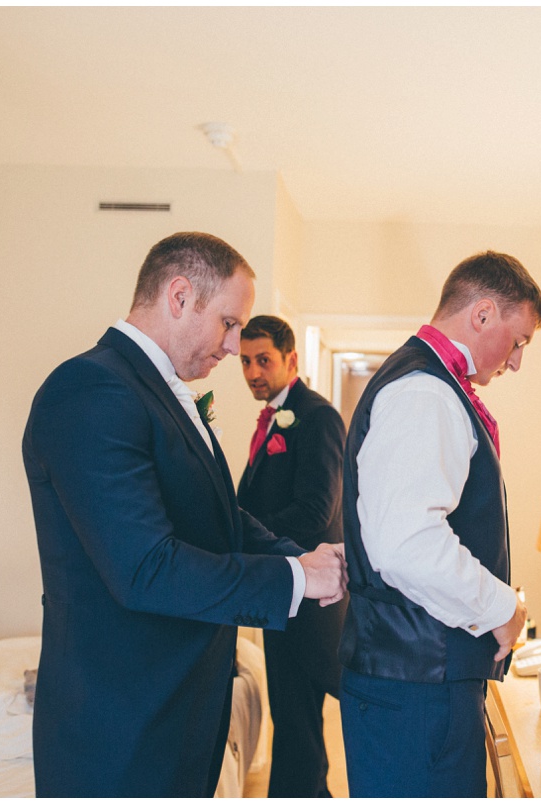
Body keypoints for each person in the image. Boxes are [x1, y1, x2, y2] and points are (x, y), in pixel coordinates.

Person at [21, 232, 346, 797]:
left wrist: (304, 557)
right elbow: (145, 567)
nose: (232, 347)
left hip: (182, 709)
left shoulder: (164, 392)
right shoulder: (90, 388)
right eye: (228, 323)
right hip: (123, 723)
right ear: (178, 296)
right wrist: (295, 578)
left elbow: (225, 520)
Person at [338, 250, 541, 797]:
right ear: (481, 314)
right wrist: (503, 607)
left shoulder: (425, 383)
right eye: (519, 339)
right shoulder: (425, 391)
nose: (517, 360)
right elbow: (407, 544)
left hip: (415, 681)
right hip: (417, 689)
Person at [237, 315, 347, 797]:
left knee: (302, 712)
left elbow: (316, 511)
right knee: (293, 718)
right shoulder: (272, 418)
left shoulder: (318, 416)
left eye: (264, 360)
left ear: (291, 360)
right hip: (284, 591)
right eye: (245, 361)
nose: (253, 372)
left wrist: (246, 539)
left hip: (313, 599)